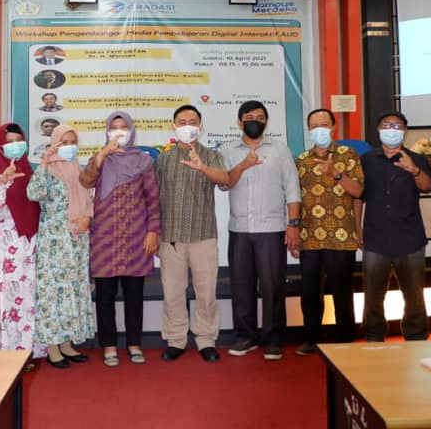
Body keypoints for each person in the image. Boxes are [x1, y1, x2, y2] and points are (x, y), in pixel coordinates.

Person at [220, 100, 300, 360]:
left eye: (260, 117)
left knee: (272, 286)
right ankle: (246, 336)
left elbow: (292, 188)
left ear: (266, 122)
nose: (255, 121)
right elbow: (224, 183)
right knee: (241, 285)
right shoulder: (227, 150)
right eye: (250, 117)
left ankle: (273, 337)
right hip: (240, 229)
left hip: (272, 229)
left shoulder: (279, 149)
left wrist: (293, 224)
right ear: (239, 122)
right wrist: (243, 165)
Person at [80, 112, 161, 367]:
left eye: (123, 127)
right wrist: (103, 154)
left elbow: (153, 199)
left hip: (136, 238)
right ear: (107, 131)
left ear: (131, 130)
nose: (119, 132)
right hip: (104, 238)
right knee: (104, 296)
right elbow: (86, 181)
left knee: (134, 294)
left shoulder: (143, 161)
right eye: (114, 127)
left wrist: (153, 231)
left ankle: (134, 344)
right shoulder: (99, 160)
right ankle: (109, 346)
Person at [155, 104, 228, 363]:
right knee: (173, 292)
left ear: (201, 126)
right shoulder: (163, 158)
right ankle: (176, 339)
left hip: (203, 233)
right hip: (171, 235)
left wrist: (203, 167)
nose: (188, 126)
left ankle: (206, 339)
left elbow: (225, 181)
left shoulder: (212, 155)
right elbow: (153, 196)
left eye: (193, 121)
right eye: (182, 121)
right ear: (173, 126)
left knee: (206, 292)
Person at [357, 110, 431, 342]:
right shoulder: (366, 160)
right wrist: (357, 228)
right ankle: (374, 338)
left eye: (397, 126)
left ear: (405, 131)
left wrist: (414, 170)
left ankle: (416, 338)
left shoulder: (416, 158)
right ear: (379, 130)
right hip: (375, 238)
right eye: (387, 125)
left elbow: (427, 186)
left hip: (410, 239)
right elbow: (358, 196)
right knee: (373, 296)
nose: (392, 130)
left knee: (414, 296)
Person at [294, 108, 364, 356]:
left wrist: (337, 174)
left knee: (341, 289)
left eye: (324, 124)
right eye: (314, 126)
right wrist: (293, 230)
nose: (320, 130)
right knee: (310, 292)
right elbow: (295, 198)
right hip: (309, 236)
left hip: (341, 235)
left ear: (334, 127)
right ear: (308, 130)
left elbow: (358, 192)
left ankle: (345, 337)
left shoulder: (348, 154)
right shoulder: (301, 160)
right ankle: (312, 337)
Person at [26, 124, 95, 368]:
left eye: (72, 142)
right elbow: (34, 193)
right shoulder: (49, 170)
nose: (68, 147)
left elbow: (89, 201)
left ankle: (67, 344)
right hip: (55, 242)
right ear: (54, 144)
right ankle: (53, 348)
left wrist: (87, 218)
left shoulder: (78, 169)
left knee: (72, 293)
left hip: (77, 241)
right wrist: (44, 162)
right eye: (63, 142)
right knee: (54, 294)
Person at [0, 123, 42, 352]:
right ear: (0, 145)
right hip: (3, 244)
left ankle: (27, 349)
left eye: (19, 140)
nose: (15, 145)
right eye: (9, 141)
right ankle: (5, 348)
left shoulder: (28, 169)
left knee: (25, 297)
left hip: (28, 243)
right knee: (5, 296)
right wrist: (2, 182)